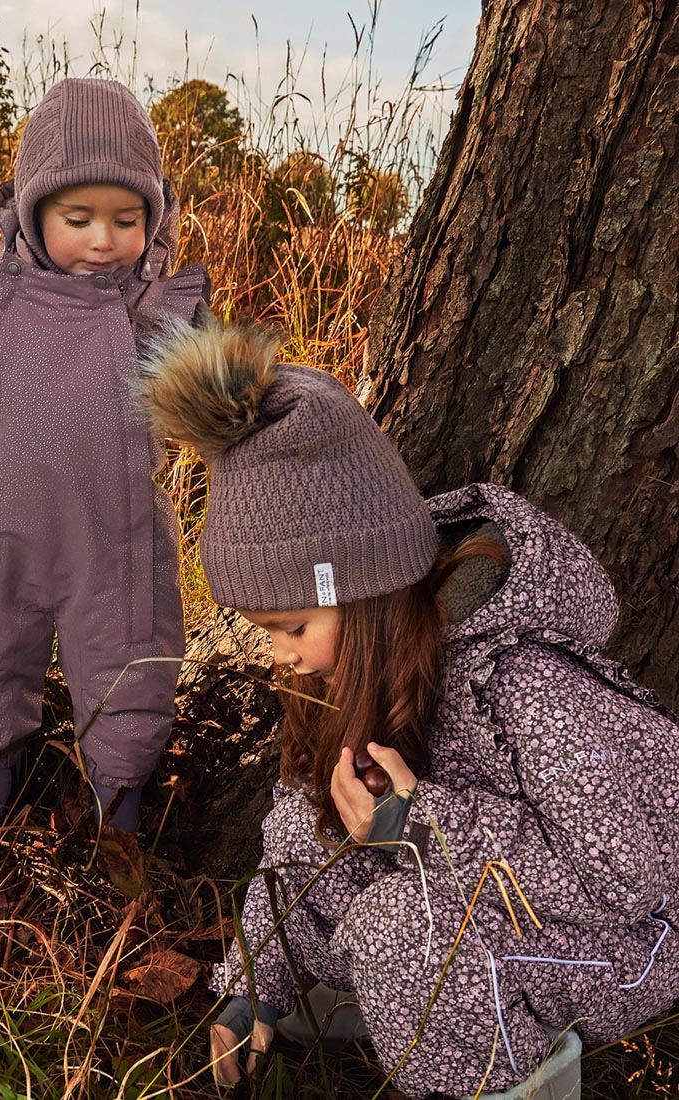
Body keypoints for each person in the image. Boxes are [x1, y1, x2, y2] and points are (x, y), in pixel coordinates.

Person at [137, 317, 679, 1099]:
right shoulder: (360, 676)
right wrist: (253, 980)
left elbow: (622, 878)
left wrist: (419, 823)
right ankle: (342, 997)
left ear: (358, 596)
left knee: (399, 935)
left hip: (632, 936)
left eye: (292, 628)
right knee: (310, 818)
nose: (282, 654)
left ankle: (494, 1078)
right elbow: (298, 844)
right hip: (485, 898)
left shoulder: (524, 686)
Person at [0, 78, 210, 832]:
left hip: (114, 540)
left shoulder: (153, 311)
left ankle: (118, 795)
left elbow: (215, 387)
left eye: (127, 220)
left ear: (153, 219)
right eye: (79, 218)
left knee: (128, 665)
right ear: (33, 212)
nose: (103, 240)